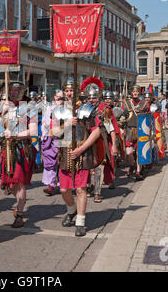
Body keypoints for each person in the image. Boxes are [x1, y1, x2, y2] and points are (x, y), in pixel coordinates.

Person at [51, 77, 104, 237]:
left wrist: (81, 149)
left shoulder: (87, 108)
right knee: (64, 189)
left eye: (72, 90)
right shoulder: (58, 110)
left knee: (81, 189)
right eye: (66, 90)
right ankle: (71, 210)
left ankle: (80, 221)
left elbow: (96, 131)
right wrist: (67, 124)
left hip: (83, 152)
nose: (69, 93)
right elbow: (53, 133)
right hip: (65, 151)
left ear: (77, 91)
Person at [0, 81, 38, 228]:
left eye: (17, 90)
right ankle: (20, 202)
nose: (14, 93)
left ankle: (20, 214)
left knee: (20, 183)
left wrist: (15, 135)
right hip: (6, 149)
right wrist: (3, 113)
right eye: (12, 91)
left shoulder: (30, 108)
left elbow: (33, 131)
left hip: (22, 149)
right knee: (11, 184)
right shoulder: (5, 106)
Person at [121, 85, 149, 181]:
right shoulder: (126, 103)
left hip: (141, 130)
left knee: (139, 152)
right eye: (133, 91)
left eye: (137, 91)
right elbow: (122, 117)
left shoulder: (144, 104)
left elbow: (149, 118)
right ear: (131, 92)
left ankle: (138, 171)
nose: (135, 93)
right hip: (129, 130)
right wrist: (122, 127)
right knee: (129, 153)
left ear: (139, 93)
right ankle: (132, 165)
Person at [41, 89, 64, 196]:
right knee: (51, 162)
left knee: (63, 162)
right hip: (52, 138)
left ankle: (63, 184)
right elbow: (45, 122)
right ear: (54, 97)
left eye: (61, 97)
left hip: (63, 138)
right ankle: (51, 185)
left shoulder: (67, 108)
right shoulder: (49, 109)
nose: (59, 99)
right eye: (57, 96)